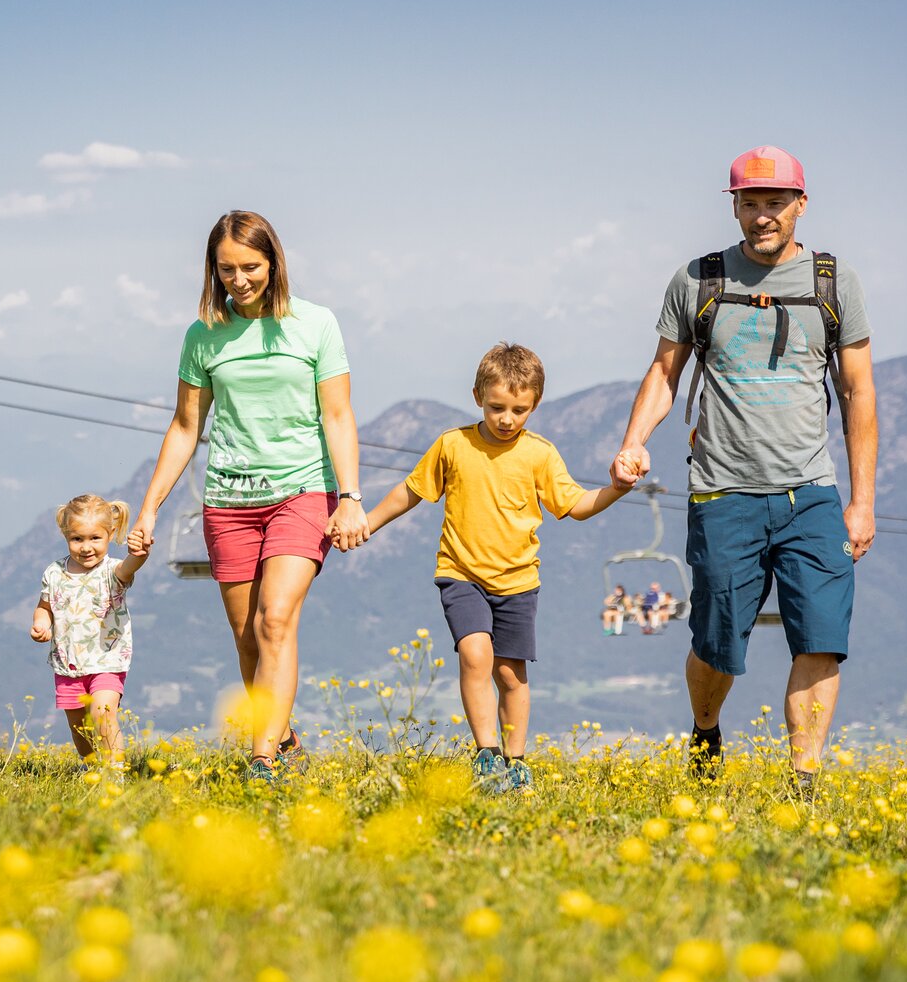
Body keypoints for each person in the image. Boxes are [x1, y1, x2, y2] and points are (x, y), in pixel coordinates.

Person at [611, 146, 876, 799]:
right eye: (750, 203)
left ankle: (803, 785)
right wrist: (633, 441)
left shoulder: (833, 283)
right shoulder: (698, 280)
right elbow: (665, 371)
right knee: (717, 642)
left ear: (800, 205)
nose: (763, 216)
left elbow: (858, 392)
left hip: (812, 493)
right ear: (733, 207)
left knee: (821, 638)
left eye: (775, 203)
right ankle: (706, 731)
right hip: (723, 492)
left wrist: (862, 500)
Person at [128, 211, 368, 783]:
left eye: (251, 267)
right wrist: (149, 507)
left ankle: (262, 761)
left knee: (275, 619)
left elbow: (337, 415)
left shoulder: (315, 324)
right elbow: (185, 426)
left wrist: (350, 496)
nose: (239, 280)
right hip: (229, 501)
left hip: (302, 491)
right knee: (248, 641)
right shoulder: (203, 335)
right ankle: (284, 741)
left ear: (274, 262)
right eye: (226, 269)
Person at [366, 343, 628, 793]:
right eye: (497, 408)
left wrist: (617, 488)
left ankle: (516, 760)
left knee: (510, 674)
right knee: (474, 654)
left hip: (518, 581)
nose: (507, 419)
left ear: (535, 405)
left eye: (519, 410)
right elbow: (410, 491)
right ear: (477, 397)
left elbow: (576, 505)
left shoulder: (540, 454)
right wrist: (368, 523)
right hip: (461, 573)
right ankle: (486, 754)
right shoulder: (453, 445)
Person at [31, 494, 150, 769]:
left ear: (110, 534)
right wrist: (41, 623)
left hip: (107, 660)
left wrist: (140, 553)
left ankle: (115, 772)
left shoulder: (112, 571)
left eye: (95, 538)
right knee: (79, 729)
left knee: (102, 714)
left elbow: (130, 567)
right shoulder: (54, 573)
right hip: (68, 663)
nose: (86, 547)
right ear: (66, 536)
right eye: (77, 539)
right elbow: (44, 606)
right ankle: (92, 767)